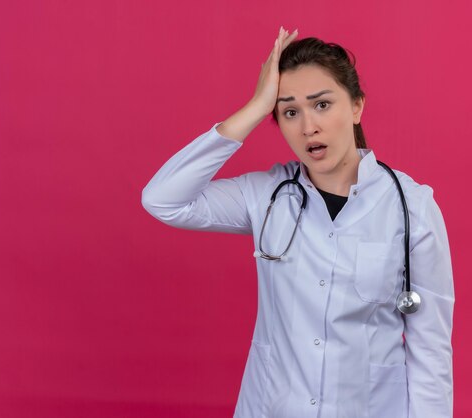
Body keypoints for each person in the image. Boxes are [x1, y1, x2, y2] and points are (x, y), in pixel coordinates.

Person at [142, 27, 454, 418]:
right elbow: (163, 200)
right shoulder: (266, 197)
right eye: (289, 111)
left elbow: (430, 352)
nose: (308, 127)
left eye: (322, 105)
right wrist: (256, 107)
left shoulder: (413, 207)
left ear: (357, 106)